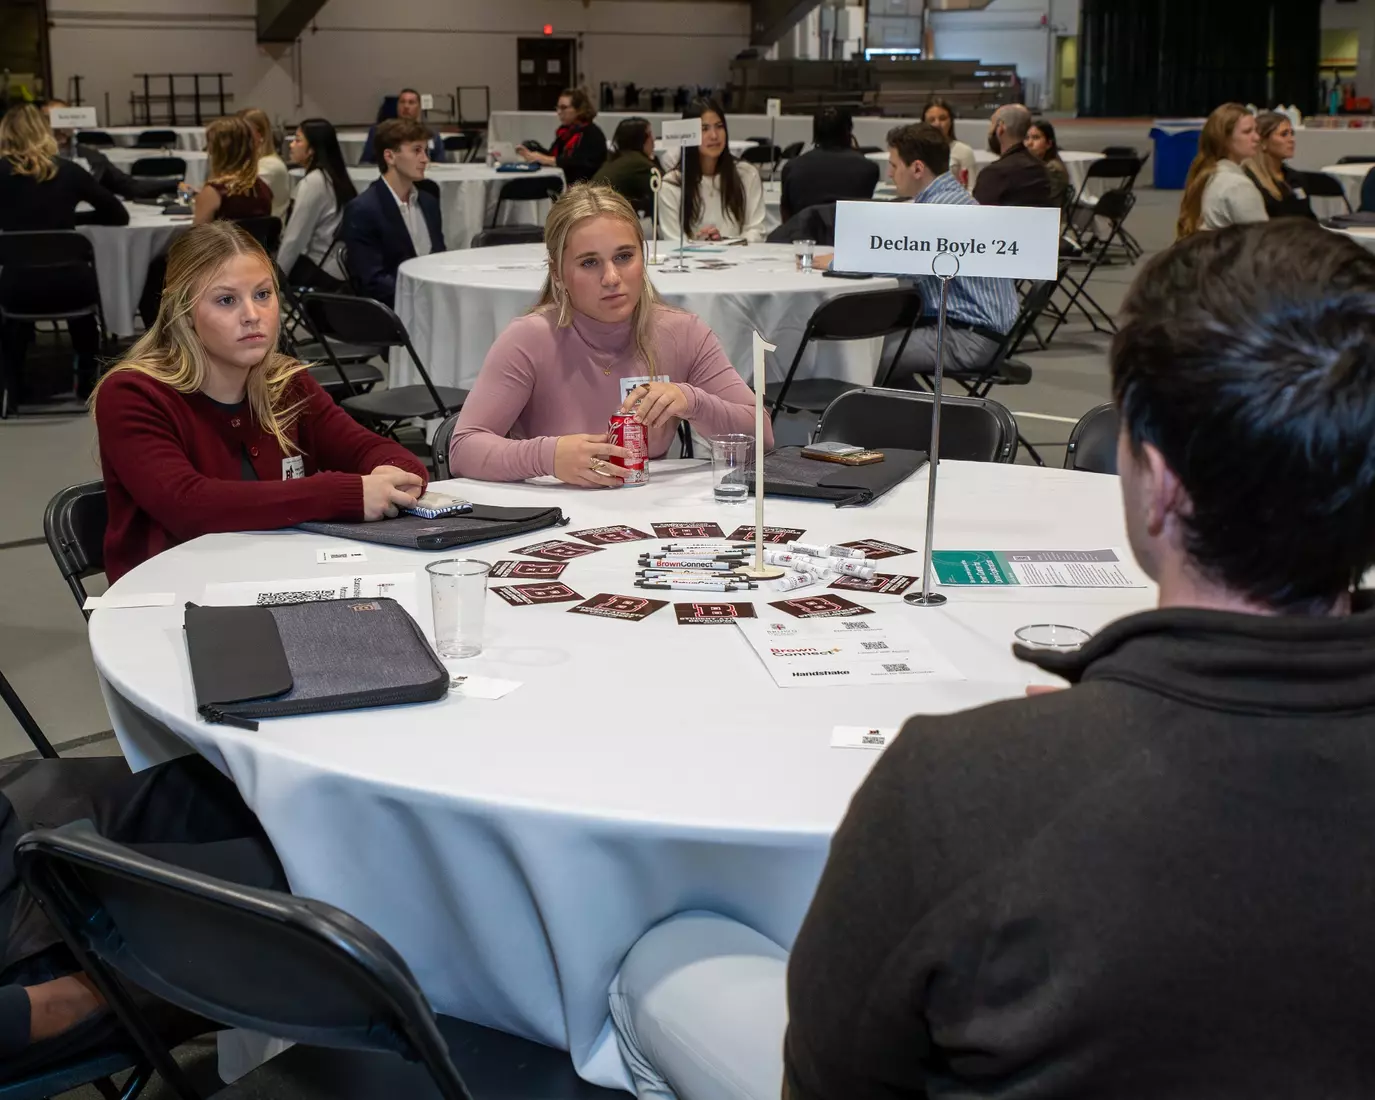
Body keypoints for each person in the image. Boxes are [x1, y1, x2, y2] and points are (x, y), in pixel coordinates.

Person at [611, 218, 1375, 1100]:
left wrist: (1039, 754)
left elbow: (830, 1078)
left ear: (1157, 485)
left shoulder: (958, 785)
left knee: (662, 963)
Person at [93, 222, 429, 582]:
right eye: (226, 300)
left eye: (263, 294)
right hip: (170, 598)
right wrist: (345, 494)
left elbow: (379, 452)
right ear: (186, 313)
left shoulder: (284, 382)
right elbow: (190, 506)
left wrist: (390, 477)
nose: (252, 315)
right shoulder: (133, 394)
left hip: (274, 580)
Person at [448, 183, 769, 484]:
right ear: (558, 274)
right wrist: (548, 456)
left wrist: (693, 401)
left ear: (643, 259)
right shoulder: (529, 339)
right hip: (553, 516)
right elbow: (462, 450)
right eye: (590, 263)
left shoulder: (683, 332)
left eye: (624, 256)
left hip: (647, 515)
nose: (612, 277)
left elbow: (763, 439)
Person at [0, 753, 287, 1077]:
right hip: (22, 978)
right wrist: (48, 1006)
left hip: (13, 842)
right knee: (290, 889)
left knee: (259, 781)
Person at [0, 103, 127, 404]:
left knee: (15, 301)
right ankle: (86, 381)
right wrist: (72, 224)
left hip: (16, 288)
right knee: (76, 292)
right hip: (71, 286)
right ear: (45, 133)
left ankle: (12, 384)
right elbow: (118, 214)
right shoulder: (68, 171)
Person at [880, 123, 1018, 382]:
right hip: (983, 333)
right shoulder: (953, 199)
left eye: (894, 166)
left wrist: (837, 261)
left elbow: (891, 261)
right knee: (875, 350)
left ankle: (917, 420)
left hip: (968, 338)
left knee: (867, 357)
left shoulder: (937, 212)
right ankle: (912, 417)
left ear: (917, 168)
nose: (889, 174)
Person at [340, 118, 444, 308]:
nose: (425, 159)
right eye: (416, 150)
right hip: (390, 310)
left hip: (433, 303)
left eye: (425, 151)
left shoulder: (428, 202)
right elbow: (372, 281)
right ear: (390, 156)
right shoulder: (363, 210)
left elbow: (439, 257)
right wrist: (423, 296)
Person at [658, 97, 766, 243]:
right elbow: (674, 241)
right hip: (691, 263)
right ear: (691, 134)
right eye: (704, 129)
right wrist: (700, 245)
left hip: (740, 260)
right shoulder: (672, 184)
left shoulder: (746, 174)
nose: (714, 135)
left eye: (719, 126)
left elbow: (756, 230)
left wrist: (727, 244)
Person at [45, 98, 178, 200]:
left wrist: (175, 185)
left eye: (62, 118)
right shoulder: (31, 162)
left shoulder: (92, 158)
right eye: (49, 120)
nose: (58, 128)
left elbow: (129, 187)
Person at [278, 117, 356, 289]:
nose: (291, 145)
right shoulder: (335, 177)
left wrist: (275, 279)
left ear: (312, 149)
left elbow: (295, 239)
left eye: (298, 140)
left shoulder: (314, 183)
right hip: (341, 268)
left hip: (320, 271)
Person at [1176, 103, 1266, 237]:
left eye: (1256, 130)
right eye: (1247, 132)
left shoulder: (1211, 173)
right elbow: (1262, 242)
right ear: (1224, 139)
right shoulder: (1237, 185)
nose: (1256, 138)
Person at [778, 106, 879, 223]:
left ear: (815, 131)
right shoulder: (869, 169)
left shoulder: (792, 168)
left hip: (801, 237)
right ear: (849, 130)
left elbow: (786, 216)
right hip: (850, 237)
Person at [517, 87, 607, 185]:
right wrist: (532, 152)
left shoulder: (591, 133)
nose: (559, 112)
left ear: (579, 110)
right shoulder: (565, 132)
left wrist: (545, 159)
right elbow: (553, 156)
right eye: (558, 108)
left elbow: (579, 164)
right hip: (562, 182)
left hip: (583, 187)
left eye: (564, 108)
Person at [192, 115, 272, 226]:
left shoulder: (213, 192)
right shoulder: (264, 189)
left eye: (210, 145)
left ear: (220, 151)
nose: (208, 151)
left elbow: (197, 240)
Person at [973, 103, 1054, 207]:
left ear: (1000, 128)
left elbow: (978, 215)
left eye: (992, 125)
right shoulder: (1041, 169)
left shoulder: (993, 173)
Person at [1245, 110, 1315, 221]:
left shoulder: (1296, 178)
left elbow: (1311, 219)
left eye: (1292, 133)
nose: (1292, 139)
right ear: (1263, 142)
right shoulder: (1250, 182)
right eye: (1284, 134)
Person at [360, 87, 446, 165]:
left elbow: (440, 163)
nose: (406, 106)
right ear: (397, 106)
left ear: (419, 107)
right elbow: (365, 162)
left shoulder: (430, 133)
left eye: (411, 102)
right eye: (402, 102)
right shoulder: (379, 131)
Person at [594, 116, 657, 214]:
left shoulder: (615, 158)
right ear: (640, 139)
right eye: (649, 134)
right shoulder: (638, 163)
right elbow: (663, 186)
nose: (653, 139)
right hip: (606, 214)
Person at [239, 106, 291, 219]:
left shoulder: (270, 165)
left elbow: (241, 198)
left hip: (268, 233)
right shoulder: (253, 161)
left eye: (243, 132)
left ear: (259, 134)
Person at [921, 96, 976, 189]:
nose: (937, 124)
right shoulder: (917, 151)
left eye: (942, 118)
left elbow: (972, 188)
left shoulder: (963, 151)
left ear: (951, 121)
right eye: (931, 120)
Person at [1025, 117, 1070, 207]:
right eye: (1026, 138)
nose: (1029, 143)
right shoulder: (1037, 165)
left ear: (1049, 144)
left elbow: (1047, 204)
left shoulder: (1052, 169)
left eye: (1035, 138)